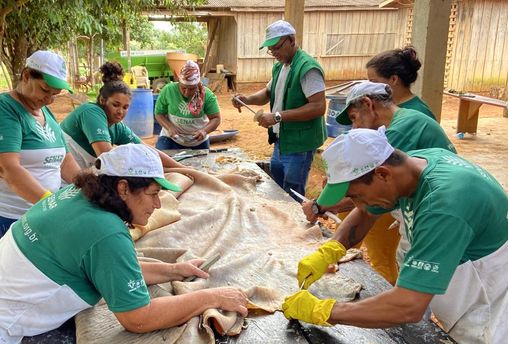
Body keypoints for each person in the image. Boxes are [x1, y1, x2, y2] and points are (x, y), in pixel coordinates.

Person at [0, 144, 248, 344]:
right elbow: (138, 318)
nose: (157, 203)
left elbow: (106, 266)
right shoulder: (106, 231)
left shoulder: (73, 195)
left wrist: (172, 270)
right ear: (123, 188)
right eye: (152, 193)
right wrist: (213, 295)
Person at [282, 128, 508, 344]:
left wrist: (324, 310)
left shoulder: (443, 206)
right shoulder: (411, 165)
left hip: (488, 314)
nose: (356, 204)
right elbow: (368, 210)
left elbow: (408, 306)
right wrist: (332, 249)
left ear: (382, 174)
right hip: (461, 289)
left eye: (356, 195)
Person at [301, 81, 455, 284]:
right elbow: (367, 205)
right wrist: (330, 251)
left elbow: (411, 303)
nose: (355, 127)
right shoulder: (402, 138)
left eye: (354, 119)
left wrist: (320, 206)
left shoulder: (397, 134)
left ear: (368, 104)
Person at [0, 50, 81, 249]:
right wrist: (49, 203)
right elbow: (5, 168)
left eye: (55, 95)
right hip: (10, 217)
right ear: (26, 76)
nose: (49, 99)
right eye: (44, 90)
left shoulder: (45, 112)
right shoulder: (1, 108)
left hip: (41, 212)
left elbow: (64, 160)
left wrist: (89, 186)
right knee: (16, 273)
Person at [232, 20, 326, 199]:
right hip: (281, 139)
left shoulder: (308, 68)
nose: (274, 53)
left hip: (300, 142)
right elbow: (269, 92)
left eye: (276, 48)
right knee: (277, 179)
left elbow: (318, 106)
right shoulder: (280, 66)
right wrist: (248, 99)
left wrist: (277, 117)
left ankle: (295, 223)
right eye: (270, 50)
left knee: (293, 190)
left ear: (291, 40)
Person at [61, 61, 183, 169]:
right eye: (116, 105)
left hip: (79, 177)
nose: (120, 111)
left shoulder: (118, 127)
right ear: (103, 101)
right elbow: (107, 159)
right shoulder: (91, 112)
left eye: (125, 107)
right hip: (61, 180)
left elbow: (146, 150)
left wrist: (181, 168)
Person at [155, 60, 221, 150]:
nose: (186, 93)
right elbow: (159, 114)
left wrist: (204, 131)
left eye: (191, 89)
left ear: (198, 85)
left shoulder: (207, 95)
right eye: (183, 88)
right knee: (162, 161)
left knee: (203, 163)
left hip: (198, 141)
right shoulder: (168, 90)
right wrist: (169, 127)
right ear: (178, 82)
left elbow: (216, 118)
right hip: (171, 139)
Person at [366, 45, 436, 119]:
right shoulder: (382, 104)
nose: (370, 86)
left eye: (374, 81)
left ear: (393, 79)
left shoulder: (418, 113)